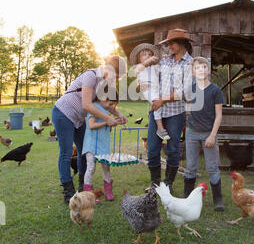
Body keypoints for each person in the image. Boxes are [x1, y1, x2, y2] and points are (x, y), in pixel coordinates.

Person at [52, 56, 127, 203]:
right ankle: (69, 192)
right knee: (66, 152)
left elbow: (103, 104)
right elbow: (86, 104)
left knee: (84, 151)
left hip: (79, 119)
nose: (116, 80)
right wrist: (107, 119)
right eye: (116, 76)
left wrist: (118, 114)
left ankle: (82, 189)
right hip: (63, 113)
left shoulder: (104, 83)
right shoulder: (91, 76)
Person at [148, 29, 193, 192]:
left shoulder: (190, 64)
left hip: (175, 113)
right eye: (167, 44)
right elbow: (151, 77)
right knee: (152, 149)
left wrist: (163, 100)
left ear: (182, 43)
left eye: (171, 43)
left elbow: (186, 92)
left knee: (173, 149)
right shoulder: (165, 61)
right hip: (157, 112)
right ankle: (154, 184)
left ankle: (168, 183)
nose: (169, 47)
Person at [184, 56, 225, 211]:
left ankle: (218, 199)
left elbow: (219, 115)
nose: (201, 70)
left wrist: (212, 135)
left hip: (209, 133)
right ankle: (187, 199)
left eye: (203, 67)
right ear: (193, 72)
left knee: (212, 166)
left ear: (208, 69)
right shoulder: (190, 89)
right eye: (197, 67)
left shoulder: (215, 90)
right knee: (191, 166)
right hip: (192, 133)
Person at [82, 91, 121, 201]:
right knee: (91, 168)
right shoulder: (93, 107)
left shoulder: (105, 110)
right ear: (103, 99)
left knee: (106, 168)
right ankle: (88, 195)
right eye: (110, 104)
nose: (111, 107)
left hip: (103, 144)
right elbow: (91, 125)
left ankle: (108, 191)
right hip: (91, 144)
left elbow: (107, 127)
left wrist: (115, 122)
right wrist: (107, 122)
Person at [130, 43, 170, 141]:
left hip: (156, 88)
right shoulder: (139, 66)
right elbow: (135, 71)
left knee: (159, 103)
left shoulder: (154, 67)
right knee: (156, 103)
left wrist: (165, 59)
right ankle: (160, 128)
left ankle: (161, 127)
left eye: (149, 54)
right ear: (139, 59)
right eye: (144, 54)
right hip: (147, 89)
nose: (147, 56)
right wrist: (145, 63)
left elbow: (163, 69)